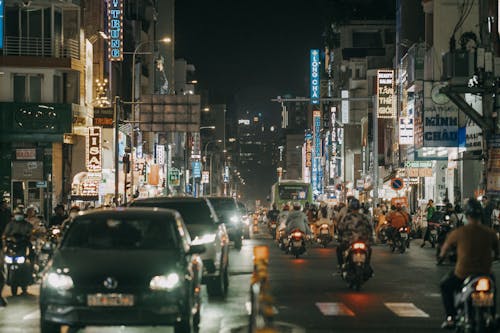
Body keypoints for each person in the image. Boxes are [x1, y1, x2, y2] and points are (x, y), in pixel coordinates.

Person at [439, 198, 499, 329]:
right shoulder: (490, 233)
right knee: (493, 288)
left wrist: (444, 255)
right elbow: (497, 252)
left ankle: (451, 317)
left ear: (466, 215)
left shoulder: (459, 232)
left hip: (463, 273)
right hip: (485, 273)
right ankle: (493, 315)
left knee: (445, 286)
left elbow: (444, 250)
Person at [336, 198, 374, 269]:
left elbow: (340, 228)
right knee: (369, 250)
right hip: (363, 241)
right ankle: (367, 264)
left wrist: (340, 238)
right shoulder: (364, 217)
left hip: (349, 241)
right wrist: (370, 239)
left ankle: (340, 265)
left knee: (339, 249)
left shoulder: (346, 217)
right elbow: (370, 229)